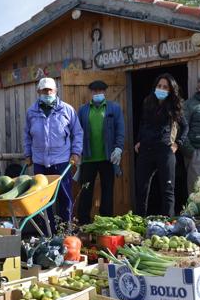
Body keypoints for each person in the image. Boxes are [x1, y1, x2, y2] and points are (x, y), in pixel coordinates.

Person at [24, 77, 83, 232]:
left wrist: (76, 152)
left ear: (56, 91)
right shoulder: (31, 112)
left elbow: (77, 132)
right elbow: (27, 135)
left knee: (65, 198)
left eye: (50, 90)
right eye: (44, 91)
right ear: (38, 92)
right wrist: (27, 154)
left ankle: (66, 231)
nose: (47, 93)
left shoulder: (66, 110)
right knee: (43, 200)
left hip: (62, 161)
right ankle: (48, 232)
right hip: (39, 163)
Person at [134, 73, 188, 217]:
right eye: (159, 86)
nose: (161, 89)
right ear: (155, 87)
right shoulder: (148, 102)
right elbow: (143, 123)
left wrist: (177, 144)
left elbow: (185, 127)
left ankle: (168, 224)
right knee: (142, 189)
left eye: (165, 87)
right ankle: (140, 222)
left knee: (167, 189)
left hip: (165, 150)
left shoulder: (175, 105)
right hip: (146, 150)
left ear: (170, 90)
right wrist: (139, 140)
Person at [76, 80, 125, 224]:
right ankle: (83, 223)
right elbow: (78, 132)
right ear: (90, 93)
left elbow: (120, 130)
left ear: (105, 92)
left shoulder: (114, 108)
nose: (97, 94)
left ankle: (106, 222)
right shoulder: (83, 110)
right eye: (95, 91)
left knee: (107, 191)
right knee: (85, 193)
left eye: (100, 91)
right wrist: (77, 152)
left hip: (108, 158)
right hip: (88, 158)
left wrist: (118, 148)